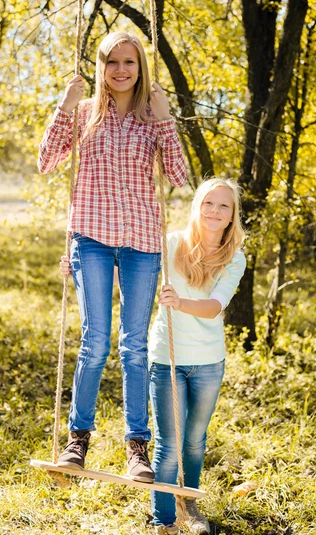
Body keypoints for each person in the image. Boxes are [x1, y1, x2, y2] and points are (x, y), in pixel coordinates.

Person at [39, 31, 187, 483]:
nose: (121, 70)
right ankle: (77, 440)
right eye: (112, 62)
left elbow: (180, 177)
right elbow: (46, 162)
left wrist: (165, 121)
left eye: (129, 61)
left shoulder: (152, 115)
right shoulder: (84, 114)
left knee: (135, 346)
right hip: (92, 238)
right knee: (96, 340)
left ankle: (136, 447)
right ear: (101, 66)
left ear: (140, 67)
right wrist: (65, 106)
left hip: (142, 241)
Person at [148, 177, 246, 534]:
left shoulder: (235, 257)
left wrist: (180, 301)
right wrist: (77, 266)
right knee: (169, 443)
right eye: (208, 203)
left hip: (208, 362)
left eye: (223, 206)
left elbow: (214, 307)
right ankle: (164, 519)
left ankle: (187, 503)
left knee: (194, 440)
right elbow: (124, 271)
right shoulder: (171, 244)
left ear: (232, 215)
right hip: (167, 357)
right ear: (197, 206)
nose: (214, 211)